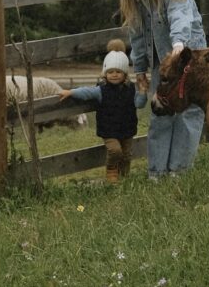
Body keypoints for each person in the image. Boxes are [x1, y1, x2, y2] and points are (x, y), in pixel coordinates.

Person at [106, 0, 207, 179]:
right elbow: (138, 36)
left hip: (186, 59)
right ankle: (157, 172)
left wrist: (179, 44)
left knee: (187, 111)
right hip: (161, 62)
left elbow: (180, 17)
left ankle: (179, 171)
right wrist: (140, 69)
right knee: (160, 112)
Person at [59, 39, 148, 183]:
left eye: (118, 71)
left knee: (126, 154)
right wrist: (71, 92)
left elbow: (139, 103)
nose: (114, 74)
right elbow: (87, 92)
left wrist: (143, 92)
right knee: (115, 151)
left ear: (125, 73)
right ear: (105, 73)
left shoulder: (131, 89)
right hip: (109, 129)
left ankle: (124, 176)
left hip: (127, 127)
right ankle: (112, 170)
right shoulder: (101, 90)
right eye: (110, 71)